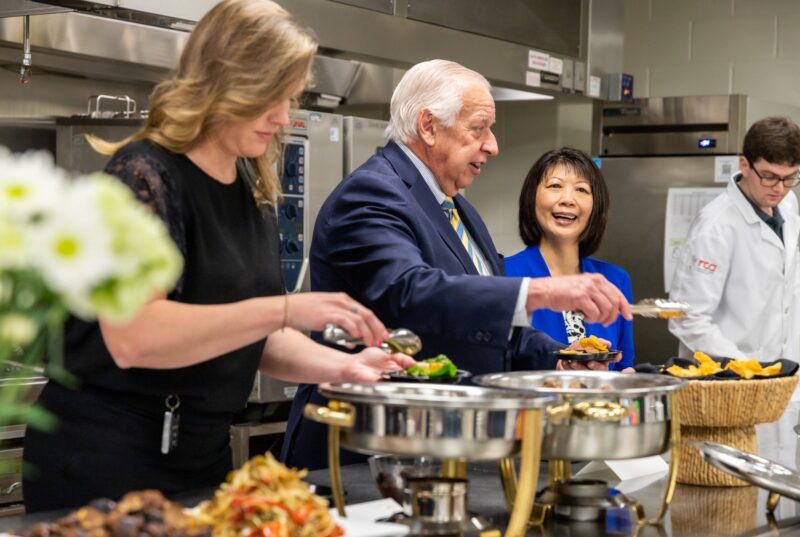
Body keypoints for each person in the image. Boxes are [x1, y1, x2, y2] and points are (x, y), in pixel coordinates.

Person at [22, 0, 415, 512]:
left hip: (198, 462)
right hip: (106, 464)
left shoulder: (252, 186)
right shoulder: (145, 176)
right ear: (221, 82)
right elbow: (134, 336)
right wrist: (287, 309)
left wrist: (346, 368)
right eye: (269, 98)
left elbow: (256, 337)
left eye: (289, 98)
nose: (281, 117)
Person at [282, 59, 632, 470]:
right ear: (428, 126)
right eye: (479, 128)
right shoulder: (371, 194)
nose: (493, 145)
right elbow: (410, 292)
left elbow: (488, 329)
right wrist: (541, 291)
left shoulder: (459, 209)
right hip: (367, 453)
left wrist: (559, 360)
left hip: (439, 452)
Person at [669, 116, 800, 367]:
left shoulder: (787, 203)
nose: (780, 189)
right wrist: (748, 366)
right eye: (769, 176)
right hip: (731, 378)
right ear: (745, 165)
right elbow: (687, 318)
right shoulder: (715, 226)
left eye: (790, 178)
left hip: (784, 376)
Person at [504, 148, 634, 371]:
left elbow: (624, 365)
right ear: (532, 197)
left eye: (582, 189)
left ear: (596, 207)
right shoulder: (503, 275)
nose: (567, 199)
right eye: (555, 186)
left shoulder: (615, 280)